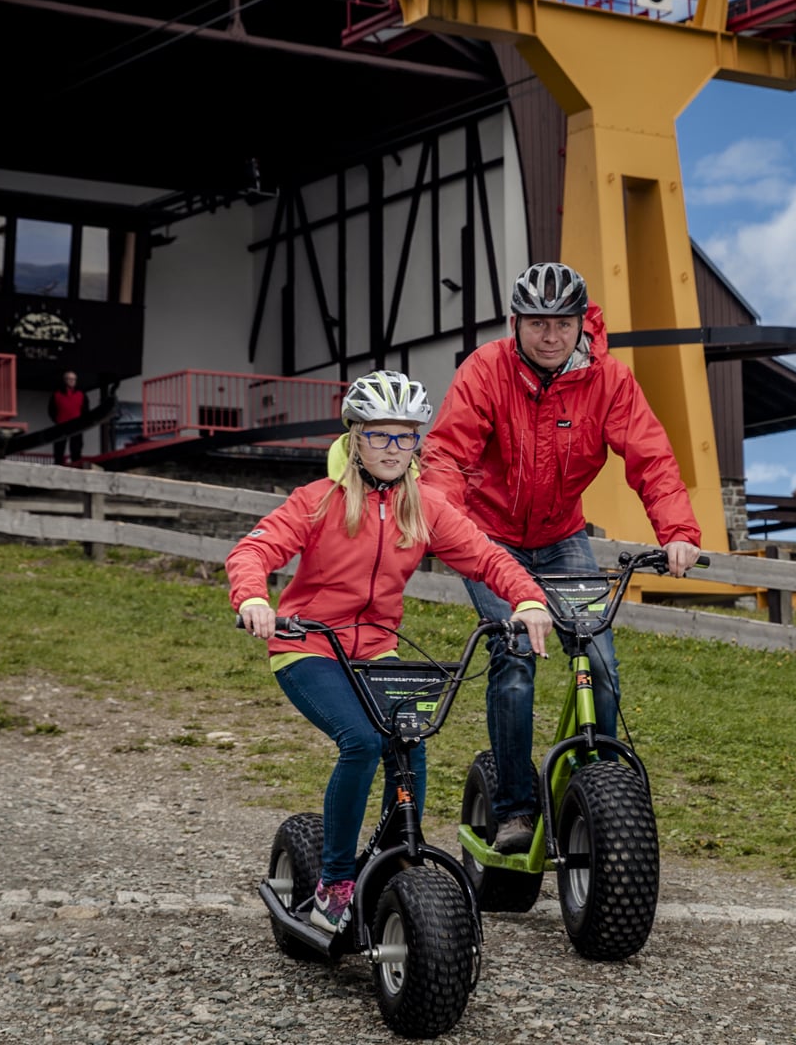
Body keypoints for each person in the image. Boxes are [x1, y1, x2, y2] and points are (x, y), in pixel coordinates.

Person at [229, 370, 555, 933]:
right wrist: (255, 596)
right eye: (380, 435)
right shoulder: (319, 500)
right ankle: (334, 884)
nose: (394, 448)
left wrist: (527, 600)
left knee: (411, 738)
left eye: (406, 436)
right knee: (360, 741)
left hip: (375, 648)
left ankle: (399, 856)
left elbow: (488, 558)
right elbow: (254, 550)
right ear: (354, 436)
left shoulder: (423, 504)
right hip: (308, 644)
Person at [420, 261, 702, 855]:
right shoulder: (485, 371)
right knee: (515, 653)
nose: (551, 335)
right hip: (488, 537)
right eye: (539, 322)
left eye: (563, 322)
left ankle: (589, 794)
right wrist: (440, 522)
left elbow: (651, 458)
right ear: (517, 322)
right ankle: (517, 808)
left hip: (562, 536)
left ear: (582, 324)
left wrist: (677, 529)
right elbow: (445, 457)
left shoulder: (609, 381)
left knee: (598, 655)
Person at [47, 370, 87, 466]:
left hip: (77, 425)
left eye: (74, 379)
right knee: (59, 449)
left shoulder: (81, 394)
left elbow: (86, 410)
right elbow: (51, 409)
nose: (72, 381)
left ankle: (76, 465)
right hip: (61, 424)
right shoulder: (57, 394)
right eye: (70, 379)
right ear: (65, 380)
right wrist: (56, 420)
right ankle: (58, 466)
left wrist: (82, 422)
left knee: (76, 448)